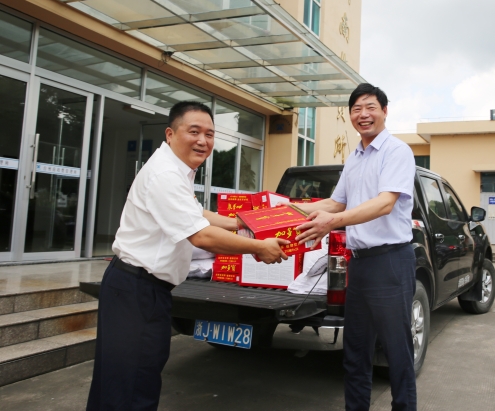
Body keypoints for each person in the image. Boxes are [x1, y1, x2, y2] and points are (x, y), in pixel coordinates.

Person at [86, 101, 289, 411]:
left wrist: (242, 222)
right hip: (137, 290)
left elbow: (198, 214)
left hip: (138, 288)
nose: (203, 141)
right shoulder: (165, 175)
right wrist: (260, 247)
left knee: (120, 381)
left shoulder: (176, 170)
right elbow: (201, 235)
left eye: (209, 134)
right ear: (170, 134)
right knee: (133, 385)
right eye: (194, 132)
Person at [293, 83, 417, 411]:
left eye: (370, 107)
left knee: (397, 352)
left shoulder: (397, 152)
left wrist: (332, 222)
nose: (363, 114)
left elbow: (384, 203)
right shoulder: (354, 158)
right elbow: (335, 203)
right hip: (359, 264)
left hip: (390, 262)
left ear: (384, 111)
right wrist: (283, 209)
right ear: (350, 115)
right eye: (356, 109)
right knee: (356, 351)